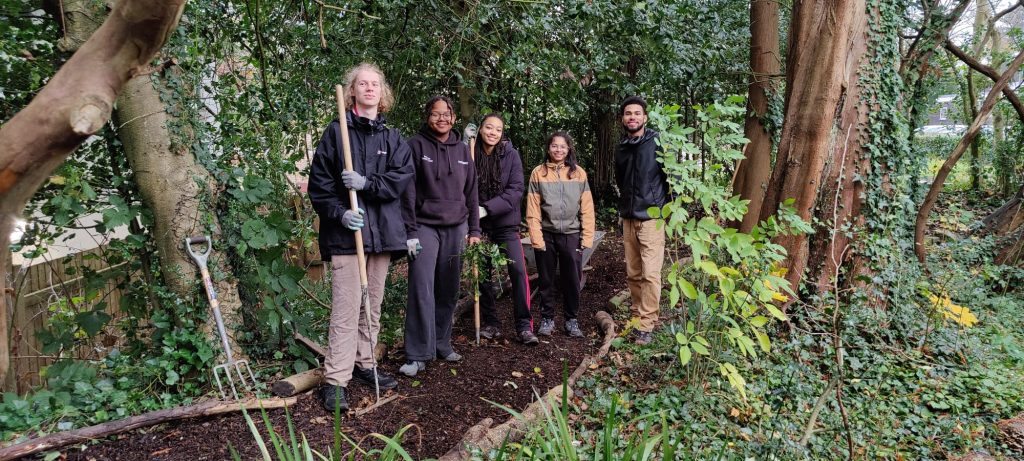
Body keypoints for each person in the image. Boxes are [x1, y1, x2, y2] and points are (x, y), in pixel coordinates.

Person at [308, 62, 413, 412]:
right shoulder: (336, 133)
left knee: (373, 304)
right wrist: (341, 212)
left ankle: (365, 364)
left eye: (375, 84)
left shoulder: (392, 138)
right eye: (363, 84)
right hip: (346, 236)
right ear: (352, 90)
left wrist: (367, 184)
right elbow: (320, 186)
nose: (370, 89)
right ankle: (336, 378)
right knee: (346, 309)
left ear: (383, 94)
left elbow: (401, 179)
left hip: (381, 235)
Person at [400, 96, 481, 377]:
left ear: (454, 118)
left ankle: (441, 343)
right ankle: (416, 353)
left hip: (456, 226)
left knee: (448, 287)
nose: (441, 119)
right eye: (436, 114)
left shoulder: (462, 150)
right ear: (427, 117)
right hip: (424, 226)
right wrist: (409, 232)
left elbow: (471, 193)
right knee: (421, 287)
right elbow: (407, 193)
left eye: (446, 114)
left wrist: (474, 230)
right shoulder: (415, 146)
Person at [473, 114, 538, 345]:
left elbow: (515, 189)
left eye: (498, 129)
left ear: (502, 133)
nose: (492, 132)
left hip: (505, 223)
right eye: (488, 127)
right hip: (478, 226)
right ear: (480, 129)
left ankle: (524, 326)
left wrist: (487, 209)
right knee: (481, 273)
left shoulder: (510, 154)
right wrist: (474, 215)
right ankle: (491, 323)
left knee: (518, 271)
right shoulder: (470, 151)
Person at [525, 131, 595, 338]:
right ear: (548, 148)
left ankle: (571, 320)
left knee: (572, 279)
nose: (558, 150)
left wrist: (587, 237)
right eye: (554, 146)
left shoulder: (578, 173)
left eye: (562, 146)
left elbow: (588, 208)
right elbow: (533, 209)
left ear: (569, 149)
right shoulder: (538, 173)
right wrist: (536, 239)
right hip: (546, 234)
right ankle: (547, 319)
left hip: (572, 234)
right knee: (546, 280)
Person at [614, 95, 670, 345]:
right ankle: (637, 317)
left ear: (645, 117)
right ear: (623, 119)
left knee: (651, 273)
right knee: (633, 272)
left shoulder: (657, 142)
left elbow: (671, 178)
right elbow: (621, 180)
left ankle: (647, 324)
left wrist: (668, 211)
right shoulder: (621, 148)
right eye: (628, 114)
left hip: (652, 218)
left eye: (637, 113)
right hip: (628, 217)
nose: (632, 117)